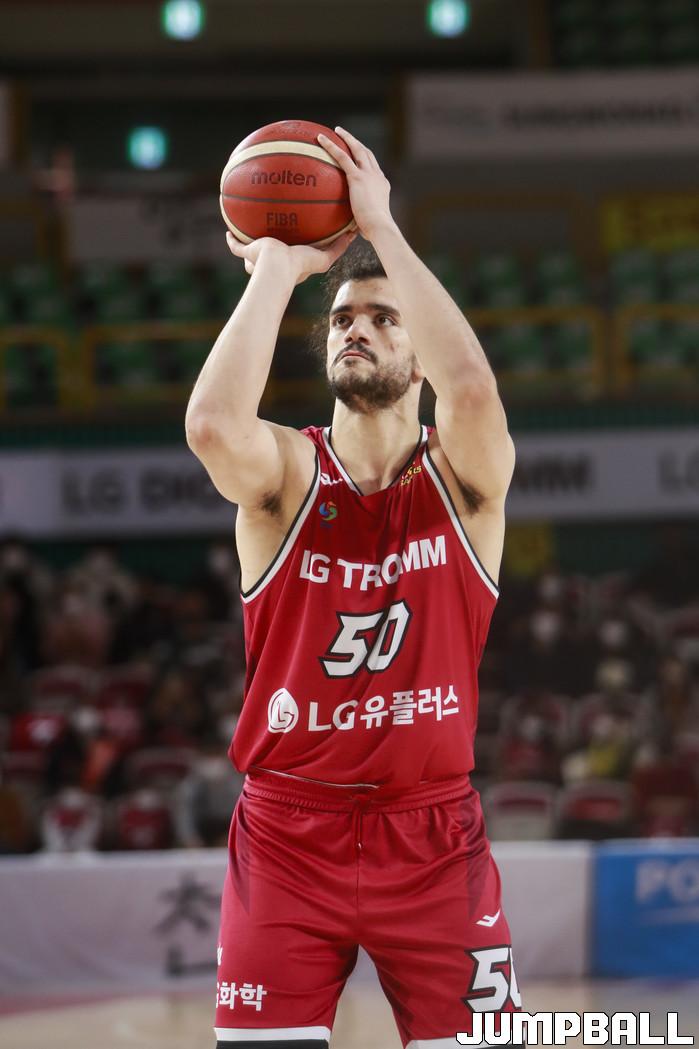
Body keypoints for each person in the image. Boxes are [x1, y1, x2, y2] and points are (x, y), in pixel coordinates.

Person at [186, 127, 519, 1049]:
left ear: (418, 349)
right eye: (340, 320)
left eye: (381, 317)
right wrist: (276, 268)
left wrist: (379, 228)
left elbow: (472, 391)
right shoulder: (288, 476)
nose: (356, 329)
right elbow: (212, 426)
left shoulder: (464, 478)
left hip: (433, 834)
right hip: (288, 833)